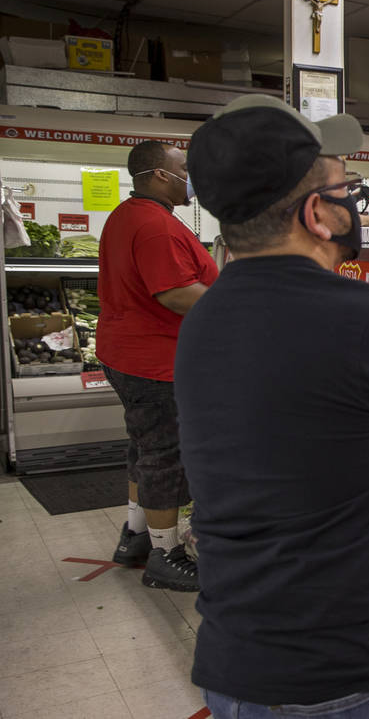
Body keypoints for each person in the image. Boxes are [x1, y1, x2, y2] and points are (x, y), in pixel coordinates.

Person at [178, 94, 369, 718]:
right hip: (353, 674)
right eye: (346, 185)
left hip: (238, 663)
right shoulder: (367, 320)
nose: (354, 198)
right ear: (317, 214)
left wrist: (368, 450)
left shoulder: (202, 320)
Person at [99, 139, 217, 591]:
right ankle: (166, 555)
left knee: (143, 448)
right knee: (165, 455)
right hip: (155, 362)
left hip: (126, 354)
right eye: (184, 166)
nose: (192, 174)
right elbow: (174, 293)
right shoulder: (155, 225)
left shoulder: (127, 215)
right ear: (161, 175)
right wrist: (238, 306)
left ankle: (135, 535)